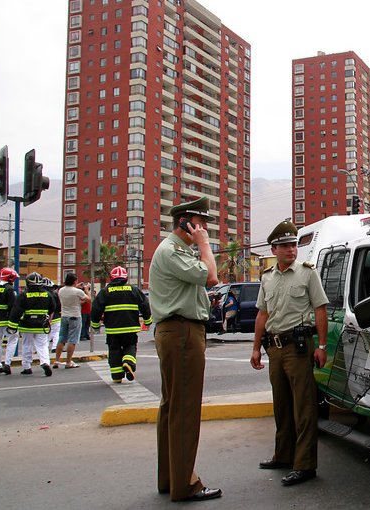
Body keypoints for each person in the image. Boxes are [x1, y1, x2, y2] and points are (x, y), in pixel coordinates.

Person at [148, 196, 221, 502]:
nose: (205, 229)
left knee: (172, 408)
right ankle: (185, 485)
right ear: (186, 223)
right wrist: (204, 245)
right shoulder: (173, 250)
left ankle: (170, 478)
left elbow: (198, 287)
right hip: (181, 333)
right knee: (184, 410)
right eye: (202, 224)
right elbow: (211, 277)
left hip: (178, 330)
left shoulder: (177, 252)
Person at [251, 221, 328, 487]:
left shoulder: (307, 274)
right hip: (274, 349)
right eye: (285, 245)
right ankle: (283, 455)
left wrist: (322, 346)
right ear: (274, 249)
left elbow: (320, 309)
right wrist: (255, 348)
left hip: (298, 349)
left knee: (304, 408)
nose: (291, 250)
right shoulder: (267, 277)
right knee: (281, 406)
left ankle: (305, 465)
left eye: (293, 245)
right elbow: (263, 313)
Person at [90, 266, 151, 383]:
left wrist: (95, 325)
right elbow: (144, 305)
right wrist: (147, 321)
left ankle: (117, 376)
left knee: (114, 350)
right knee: (130, 345)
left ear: (111, 279)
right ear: (126, 278)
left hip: (113, 329)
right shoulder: (134, 290)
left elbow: (96, 309)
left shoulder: (105, 292)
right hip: (130, 327)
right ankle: (128, 362)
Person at [9, 273, 57, 377]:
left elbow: (16, 311)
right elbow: (53, 307)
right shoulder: (47, 294)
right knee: (42, 345)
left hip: (27, 325)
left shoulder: (23, 295)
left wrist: (12, 325)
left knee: (27, 345)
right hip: (42, 325)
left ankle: (27, 367)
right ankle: (45, 362)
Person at [55, 273, 90, 369]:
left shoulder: (61, 290)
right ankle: (68, 361)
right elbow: (88, 300)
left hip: (64, 316)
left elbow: (72, 296)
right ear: (75, 281)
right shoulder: (78, 292)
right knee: (72, 340)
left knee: (62, 338)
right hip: (75, 316)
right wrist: (86, 290)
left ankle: (57, 360)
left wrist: (77, 287)